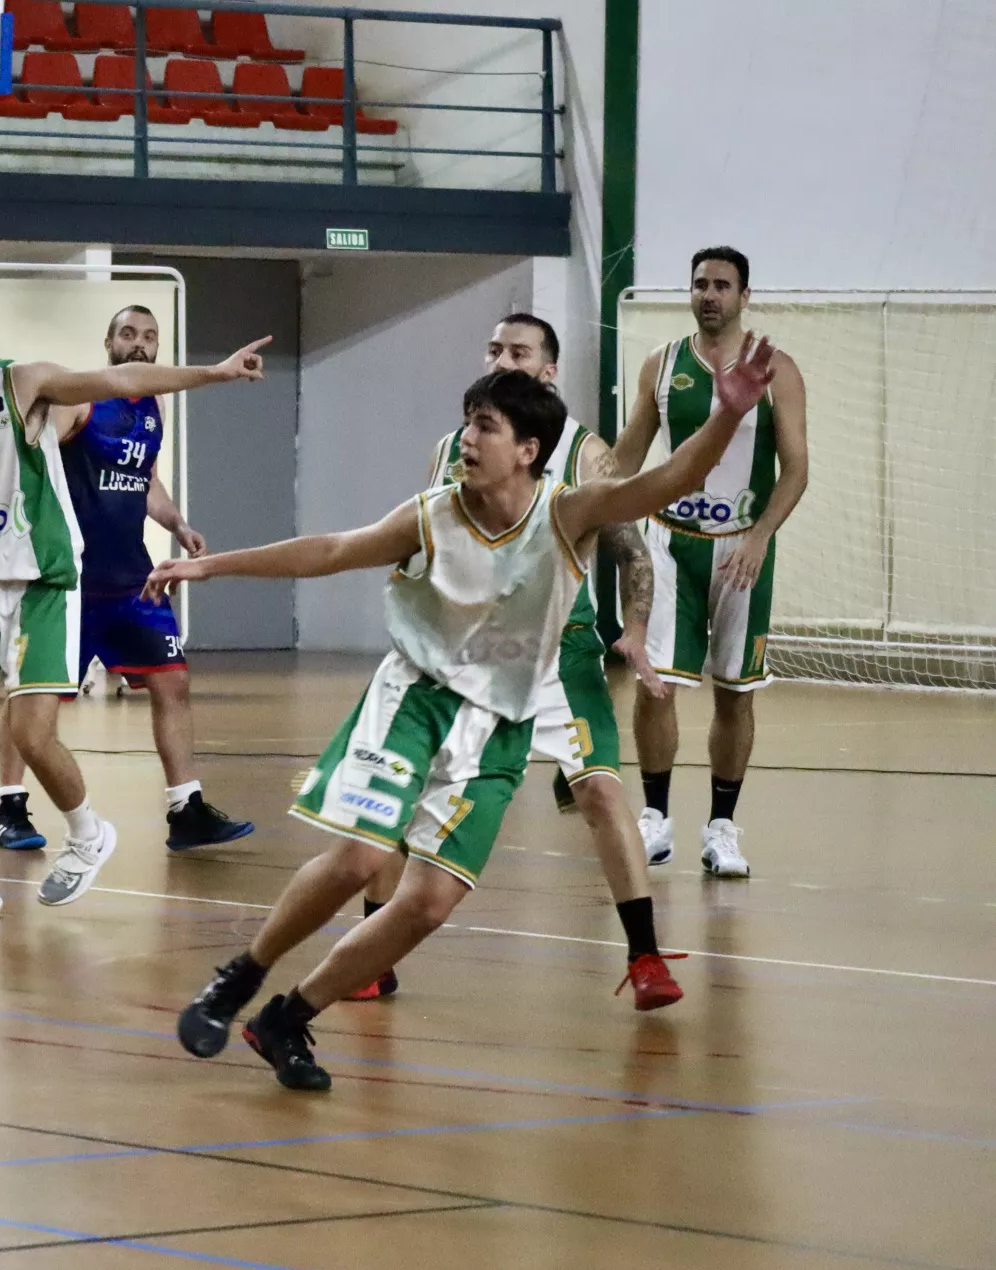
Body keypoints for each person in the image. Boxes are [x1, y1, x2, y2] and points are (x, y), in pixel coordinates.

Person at [160, 345, 775, 1091]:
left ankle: (289, 1016)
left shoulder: (567, 511)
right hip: (414, 701)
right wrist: (211, 565)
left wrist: (728, 414)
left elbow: (670, 479)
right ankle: (241, 975)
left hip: (499, 725)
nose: (466, 440)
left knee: (429, 904)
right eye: (465, 424)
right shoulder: (434, 513)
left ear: (528, 450)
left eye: (484, 426)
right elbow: (331, 551)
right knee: (361, 859)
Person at [344, 314, 683, 1011]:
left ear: (549, 370)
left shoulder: (587, 454)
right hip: (467, 651)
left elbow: (632, 549)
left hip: (561, 649)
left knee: (599, 790)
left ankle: (646, 957)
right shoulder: (455, 447)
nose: (505, 357)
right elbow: (423, 539)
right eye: (495, 347)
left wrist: (638, 629)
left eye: (520, 351)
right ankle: (372, 955)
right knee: (400, 792)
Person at [0, 276, 269, 921]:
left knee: (34, 730)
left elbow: (123, 384)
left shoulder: (27, 384)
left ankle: (89, 832)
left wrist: (213, 374)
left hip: (43, 580)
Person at [0, 304, 254, 856]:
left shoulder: (151, 408)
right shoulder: (82, 400)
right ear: (107, 342)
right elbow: (31, 454)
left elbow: (145, 478)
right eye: (128, 334)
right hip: (67, 585)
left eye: (149, 337)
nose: (139, 343)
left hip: (132, 579)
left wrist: (177, 522)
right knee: (29, 698)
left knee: (172, 682)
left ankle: (187, 808)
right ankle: (9, 806)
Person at [612, 247, 809, 879]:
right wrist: (599, 514)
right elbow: (624, 461)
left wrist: (761, 535)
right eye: (700, 284)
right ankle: (656, 819)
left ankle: (722, 826)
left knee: (735, 691)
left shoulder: (778, 370)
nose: (710, 294)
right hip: (671, 541)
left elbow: (797, 469)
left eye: (723, 285)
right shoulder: (661, 366)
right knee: (656, 683)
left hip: (742, 552)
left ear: (745, 295)